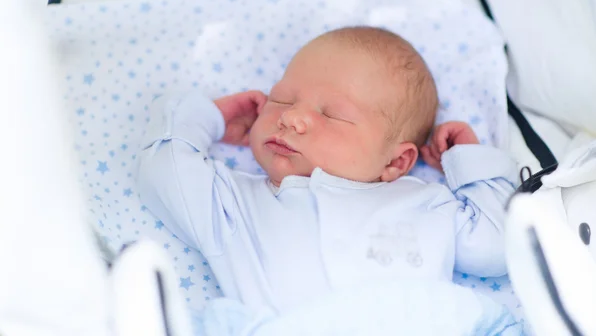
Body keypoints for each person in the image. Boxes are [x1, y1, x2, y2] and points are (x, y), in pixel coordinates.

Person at [137, 26, 517, 313]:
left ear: (396, 162)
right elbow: (162, 172)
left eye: (331, 114)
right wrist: (207, 118)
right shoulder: (235, 204)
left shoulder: (425, 203)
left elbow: (498, 246)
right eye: (281, 98)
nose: (291, 116)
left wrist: (470, 163)